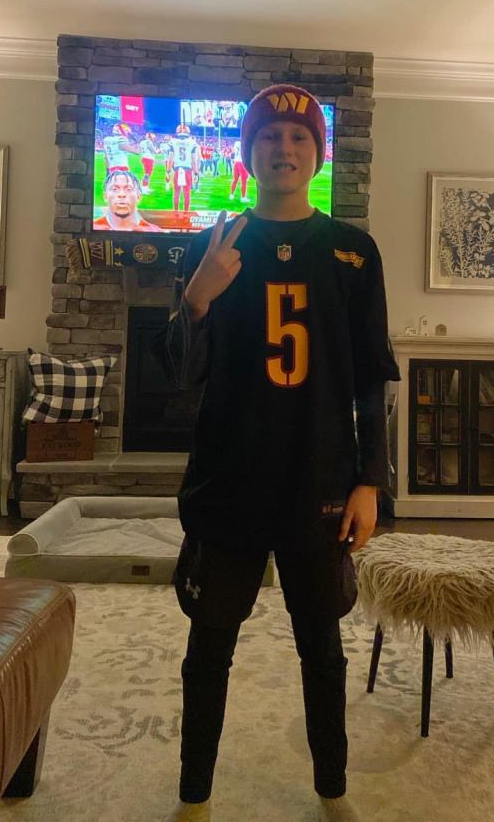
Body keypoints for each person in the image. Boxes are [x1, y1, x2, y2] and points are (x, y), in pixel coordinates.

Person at [152, 84, 400, 822]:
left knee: (322, 648)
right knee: (209, 647)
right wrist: (198, 297)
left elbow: (371, 379)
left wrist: (371, 482)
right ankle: (193, 794)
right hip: (229, 479)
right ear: (248, 152)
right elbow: (179, 373)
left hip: (318, 480)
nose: (283, 149)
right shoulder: (216, 244)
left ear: (317, 154)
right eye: (268, 136)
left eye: (298, 138)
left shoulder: (353, 251)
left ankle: (333, 789)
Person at [94, 169, 161, 231]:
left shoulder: (155, 232)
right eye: (114, 189)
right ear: (105, 196)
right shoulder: (93, 229)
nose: (121, 194)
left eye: (128, 189)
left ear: (139, 196)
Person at [229, 137, 251, 202]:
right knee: (244, 181)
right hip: (242, 163)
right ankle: (243, 197)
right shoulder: (245, 143)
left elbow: (234, 152)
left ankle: (231, 195)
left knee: (235, 180)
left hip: (236, 162)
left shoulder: (236, 143)